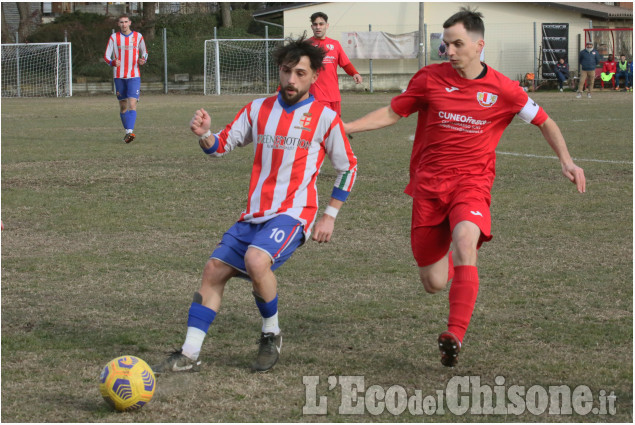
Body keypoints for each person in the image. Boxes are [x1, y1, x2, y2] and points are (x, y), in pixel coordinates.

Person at [343, 8, 586, 368]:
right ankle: (459, 268)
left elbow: (545, 121)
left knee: (465, 241)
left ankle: (454, 334)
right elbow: (393, 112)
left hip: (472, 183)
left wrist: (567, 160)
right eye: (446, 45)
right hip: (428, 187)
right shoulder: (428, 79)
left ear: (479, 45)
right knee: (434, 282)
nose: (450, 52)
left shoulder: (504, 88)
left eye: (457, 44)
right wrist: (346, 128)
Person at [152, 36, 358, 374]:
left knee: (255, 259)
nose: (292, 80)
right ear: (279, 70)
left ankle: (271, 333)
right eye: (287, 71)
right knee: (213, 270)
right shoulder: (258, 109)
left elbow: (348, 167)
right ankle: (189, 354)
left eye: (301, 74)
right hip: (254, 215)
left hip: (294, 214)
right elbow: (221, 145)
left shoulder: (324, 117)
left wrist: (330, 216)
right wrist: (205, 134)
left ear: (315, 76)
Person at [308, 12, 363, 116]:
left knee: (335, 125)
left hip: (334, 95)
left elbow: (345, 63)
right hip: (317, 94)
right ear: (312, 27)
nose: (318, 27)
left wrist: (355, 73)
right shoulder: (306, 45)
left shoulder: (335, 44)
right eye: (315, 24)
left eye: (321, 24)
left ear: (327, 25)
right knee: (325, 124)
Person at [104, 14, 148, 143]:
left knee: (132, 104)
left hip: (134, 76)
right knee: (123, 107)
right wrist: (112, 62)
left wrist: (143, 60)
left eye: (126, 22)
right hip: (119, 76)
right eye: (121, 22)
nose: (124, 24)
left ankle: (130, 132)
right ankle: (127, 131)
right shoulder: (114, 37)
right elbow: (107, 56)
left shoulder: (138, 36)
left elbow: (145, 52)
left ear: (130, 23)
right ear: (118, 24)